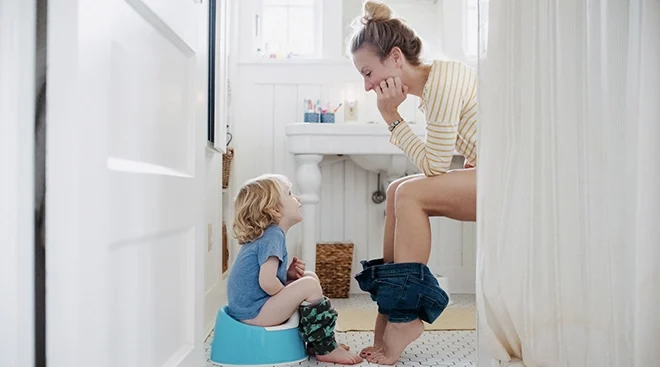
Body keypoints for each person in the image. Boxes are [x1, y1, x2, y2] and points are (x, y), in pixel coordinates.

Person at [348, 0, 478, 365]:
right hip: (492, 173)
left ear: (394, 57)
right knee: (395, 191)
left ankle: (404, 319)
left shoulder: (441, 84)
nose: (367, 84)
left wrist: (392, 118)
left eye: (368, 72)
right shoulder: (437, 83)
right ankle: (388, 314)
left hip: (508, 182)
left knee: (409, 194)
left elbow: (435, 165)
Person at [225, 174, 362, 365]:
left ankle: (316, 341)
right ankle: (325, 346)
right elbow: (266, 282)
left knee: (308, 278)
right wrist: (289, 297)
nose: (297, 198)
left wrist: (288, 277)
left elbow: (262, 278)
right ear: (274, 209)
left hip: (247, 310)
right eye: (289, 193)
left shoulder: (268, 235)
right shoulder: (273, 235)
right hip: (255, 313)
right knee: (307, 285)